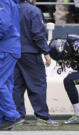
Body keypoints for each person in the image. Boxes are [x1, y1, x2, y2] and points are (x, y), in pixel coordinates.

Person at [13, 0, 58, 126]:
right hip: (31, 54)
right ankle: (42, 117)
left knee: (17, 87)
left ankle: (18, 118)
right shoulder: (33, 10)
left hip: (14, 52)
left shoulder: (11, 9)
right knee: (37, 85)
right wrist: (46, 52)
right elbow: (38, 34)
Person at [0, 0, 24, 130]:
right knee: (6, 84)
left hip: (5, 48)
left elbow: (3, 24)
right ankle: (5, 120)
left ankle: (12, 116)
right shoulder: (10, 2)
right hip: (11, 47)